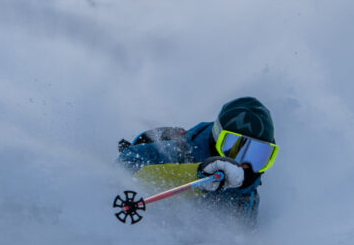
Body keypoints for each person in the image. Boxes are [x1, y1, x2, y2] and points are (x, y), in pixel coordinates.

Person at [117, 96, 278, 224]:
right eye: (235, 149)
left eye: (259, 155)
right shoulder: (180, 153)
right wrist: (196, 175)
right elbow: (123, 167)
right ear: (216, 138)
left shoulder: (245, 198)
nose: (244, 164)